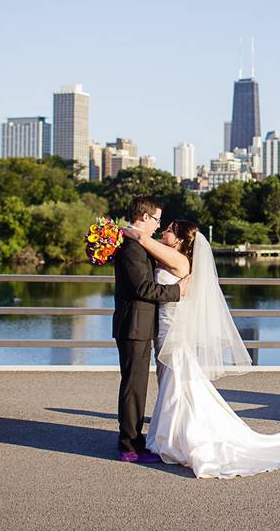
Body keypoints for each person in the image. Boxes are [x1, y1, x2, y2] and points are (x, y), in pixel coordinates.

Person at [121, 219, 280, 478]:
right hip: (163, 330)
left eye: (170, 229)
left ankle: (180, 439)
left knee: (178, 385)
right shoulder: (172, 256)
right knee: (173, 384)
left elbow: (142, 240)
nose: (164, 230)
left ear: (181, 239)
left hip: (174, 332)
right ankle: (171, 435)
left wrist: (123, 231)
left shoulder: (180, 260)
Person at [113, 196, 188, 463]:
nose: (158, 225)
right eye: (156, 219)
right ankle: (129, 446)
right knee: (134, 387)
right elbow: (143, 288)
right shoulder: (132, 248)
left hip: (141, 325)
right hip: (134, 325)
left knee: (137, 386)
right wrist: (177, 291)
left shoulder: (138, 244)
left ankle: (135, 439)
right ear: (144, 217)